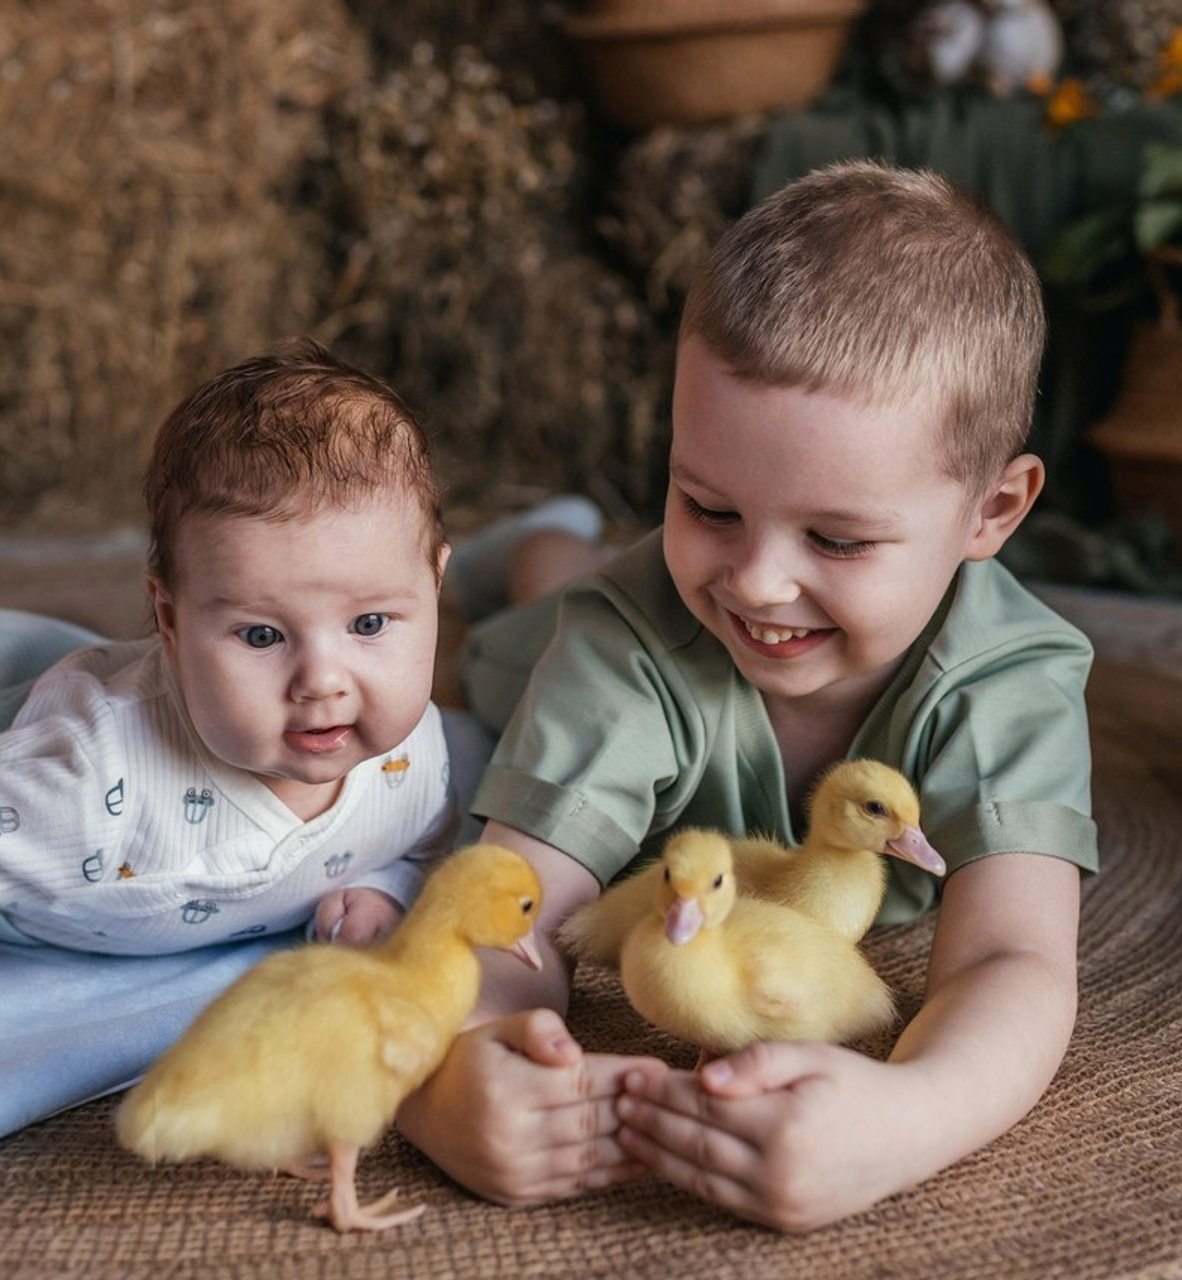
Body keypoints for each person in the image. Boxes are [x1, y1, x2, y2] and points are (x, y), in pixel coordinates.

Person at [395, 160, 1099, 1231]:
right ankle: (540, 549)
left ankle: (563, 541)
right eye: (706, 502)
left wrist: (910, 1114)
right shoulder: (622, 644)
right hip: (550, 640)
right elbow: (511, 902)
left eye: (835, 537)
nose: (759, 581)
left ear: (990, 511)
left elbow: (1014, 955)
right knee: (521, 624)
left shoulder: (1012, 680)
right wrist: (450, 1066)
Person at [0, 338, 458, 961]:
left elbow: (419, 851)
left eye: (369, 623)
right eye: (263, 635)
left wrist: (382, 887)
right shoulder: (93, 780)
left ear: (435, 587)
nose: (321, 681)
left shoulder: (414, 758)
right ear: (169, 619)